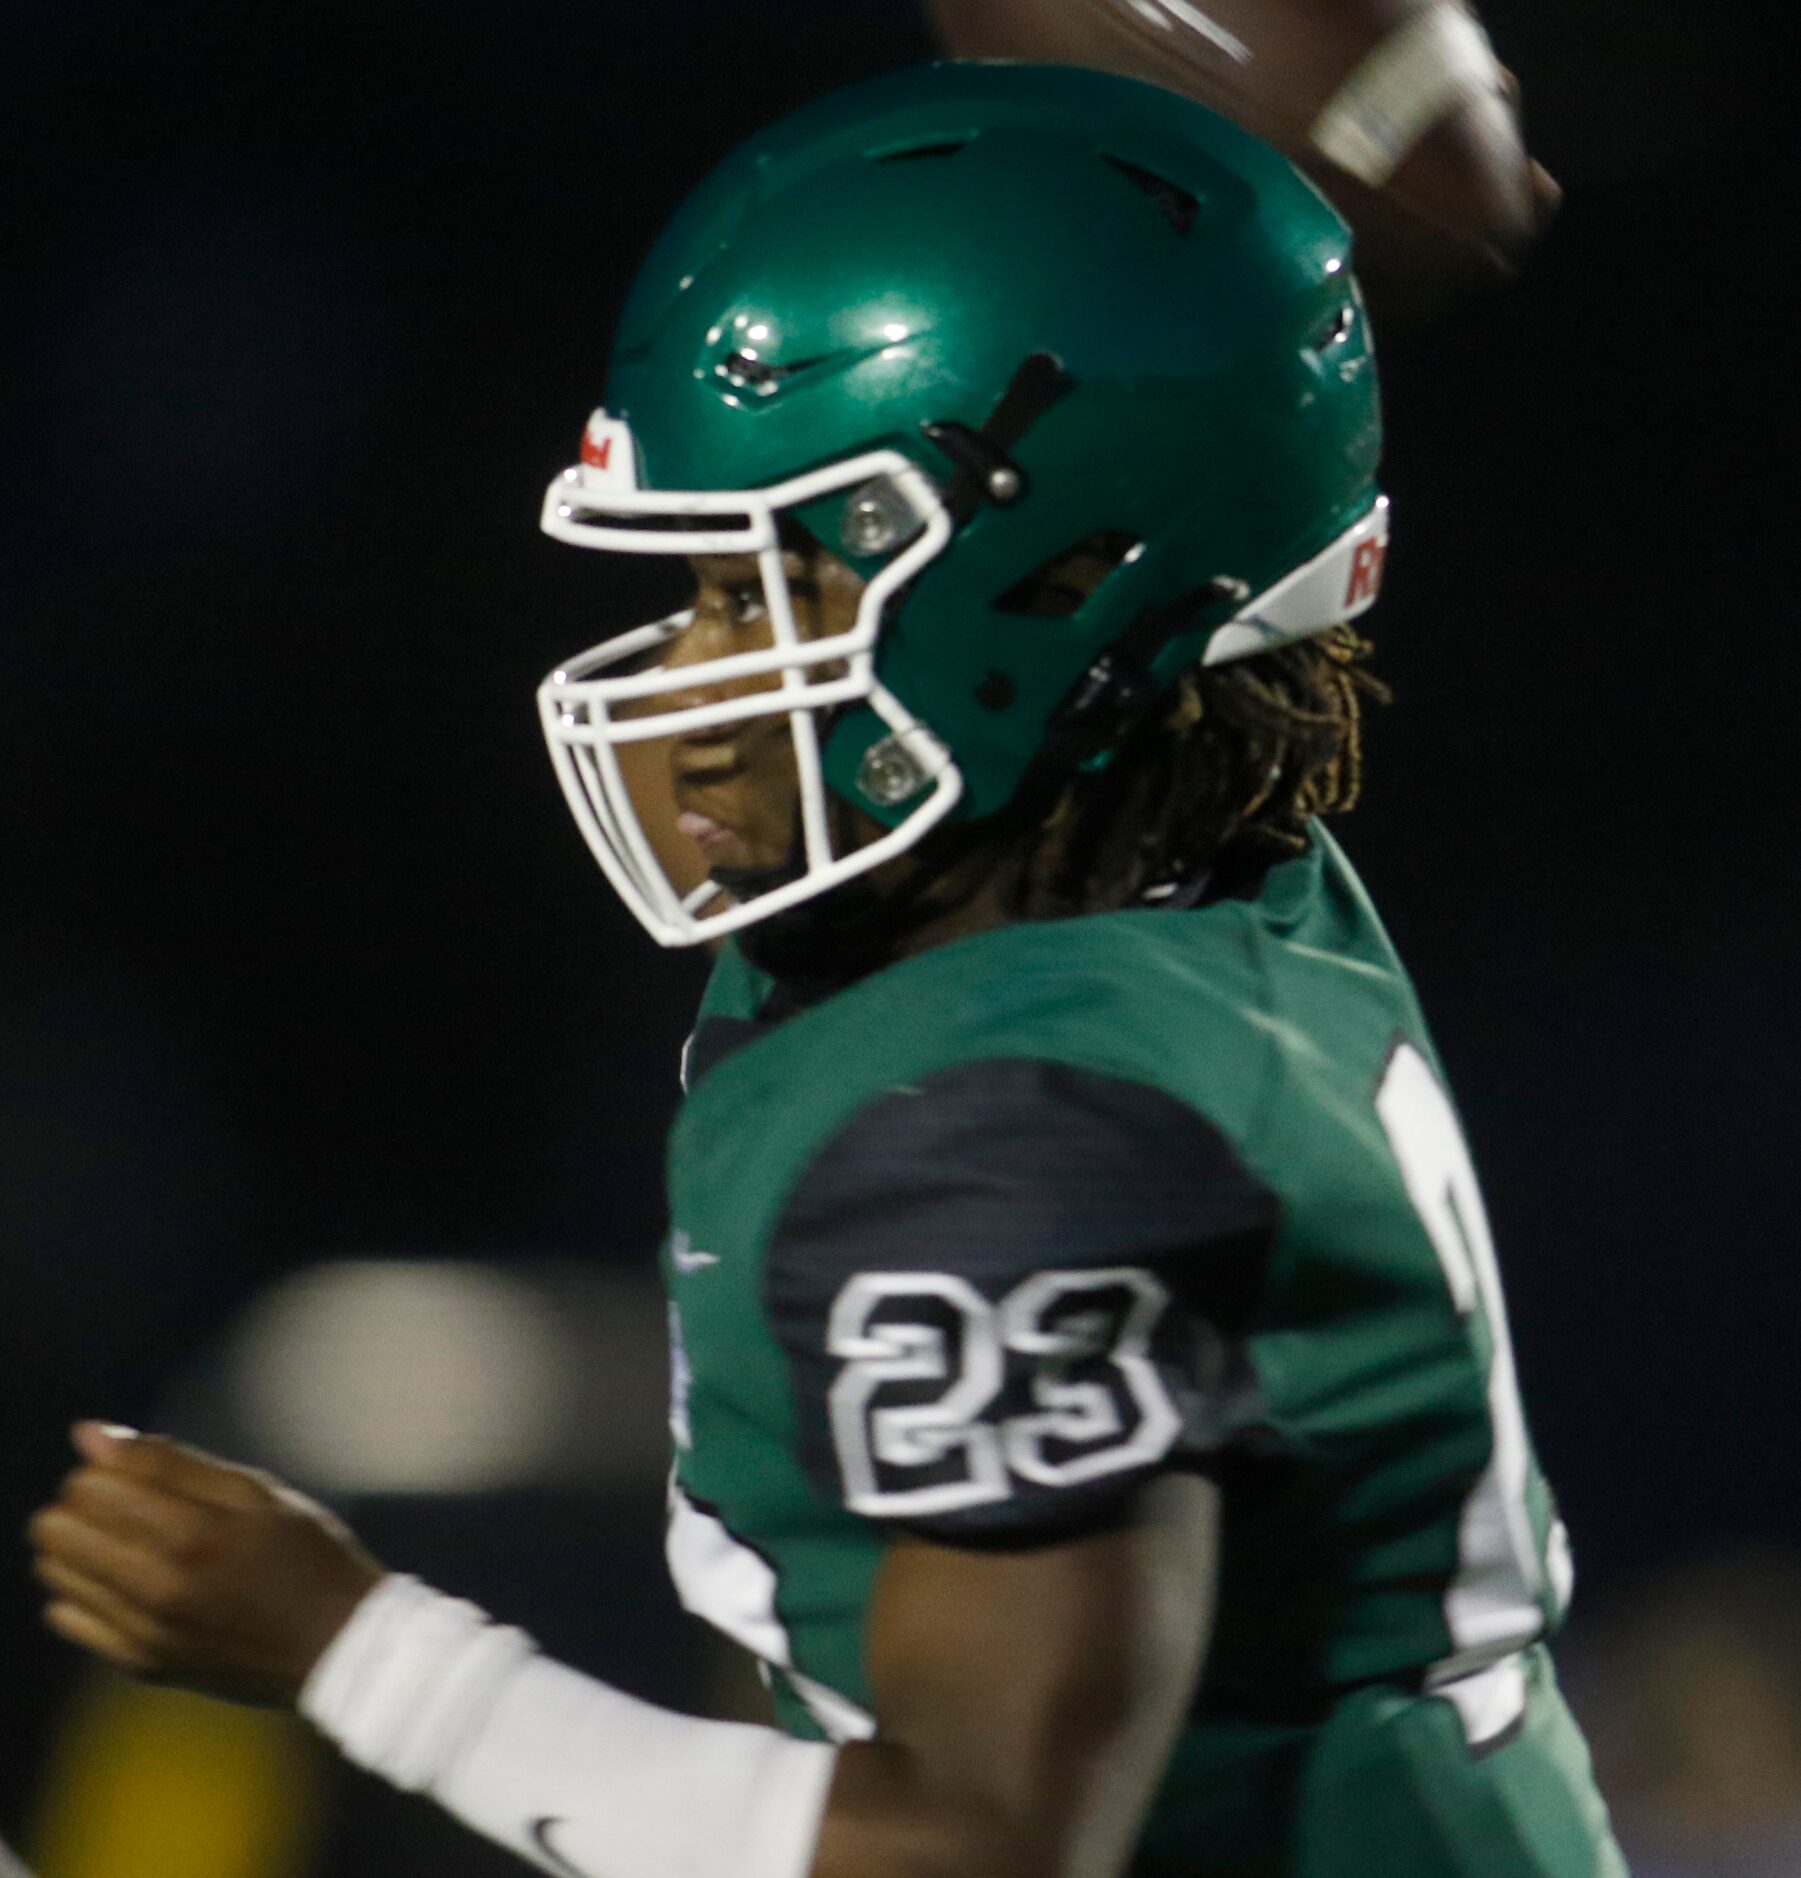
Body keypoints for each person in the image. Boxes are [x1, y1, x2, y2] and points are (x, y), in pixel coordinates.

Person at [26, 62, 1627, 1878]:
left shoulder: (1019, 1140)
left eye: (768, 588)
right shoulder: (1176, 863)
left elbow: (977, 1848)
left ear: (1066, 584)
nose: (692, 687)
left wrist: (354, 1650)